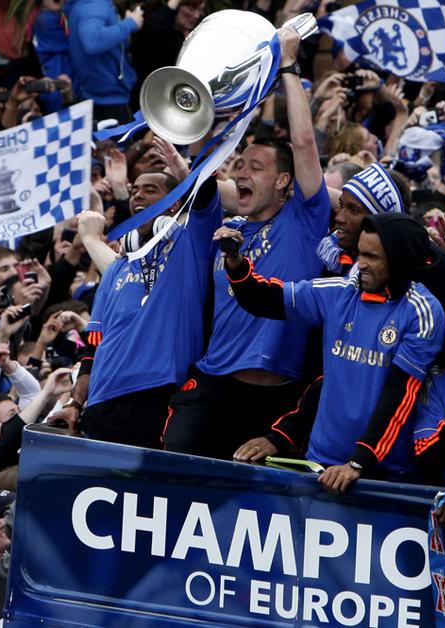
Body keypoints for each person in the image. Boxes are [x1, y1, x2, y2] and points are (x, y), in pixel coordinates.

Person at [162, 28, 332, 459]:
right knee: (173, 471)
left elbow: (304, 143)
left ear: (284, 181)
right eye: (239, 165)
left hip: (278, 399)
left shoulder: (304, 221)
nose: (241, 172)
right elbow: (203, 180)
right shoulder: (224, 228)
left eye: (255, 167)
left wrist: (289, 67)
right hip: (214, 385)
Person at [224, 213, 445, 492]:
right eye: (360, 253)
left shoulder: (422, 311)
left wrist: (358, 462)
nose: (360, 264)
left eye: (372, 257)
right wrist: (235, 263)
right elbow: (265, 298)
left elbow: (399, 395)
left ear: (398, 260)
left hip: (384, 474)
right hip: (322, 464)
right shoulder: (340, 292)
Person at [77, 169, 221, 448]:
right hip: (102, 397)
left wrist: (183, 169)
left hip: (157, 390)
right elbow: (94, 346)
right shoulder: (117, 268)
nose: (138, 196)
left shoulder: (189, 247)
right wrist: (76, 401)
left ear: (174, 203)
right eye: (134, 191)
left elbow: (206, 204)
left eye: (150, 189)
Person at [64, 0, 143, 123]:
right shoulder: (92, 5)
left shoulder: (94, 4)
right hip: (107, 102)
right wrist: (130, 23)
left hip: (100, 96)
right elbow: (93, 41)